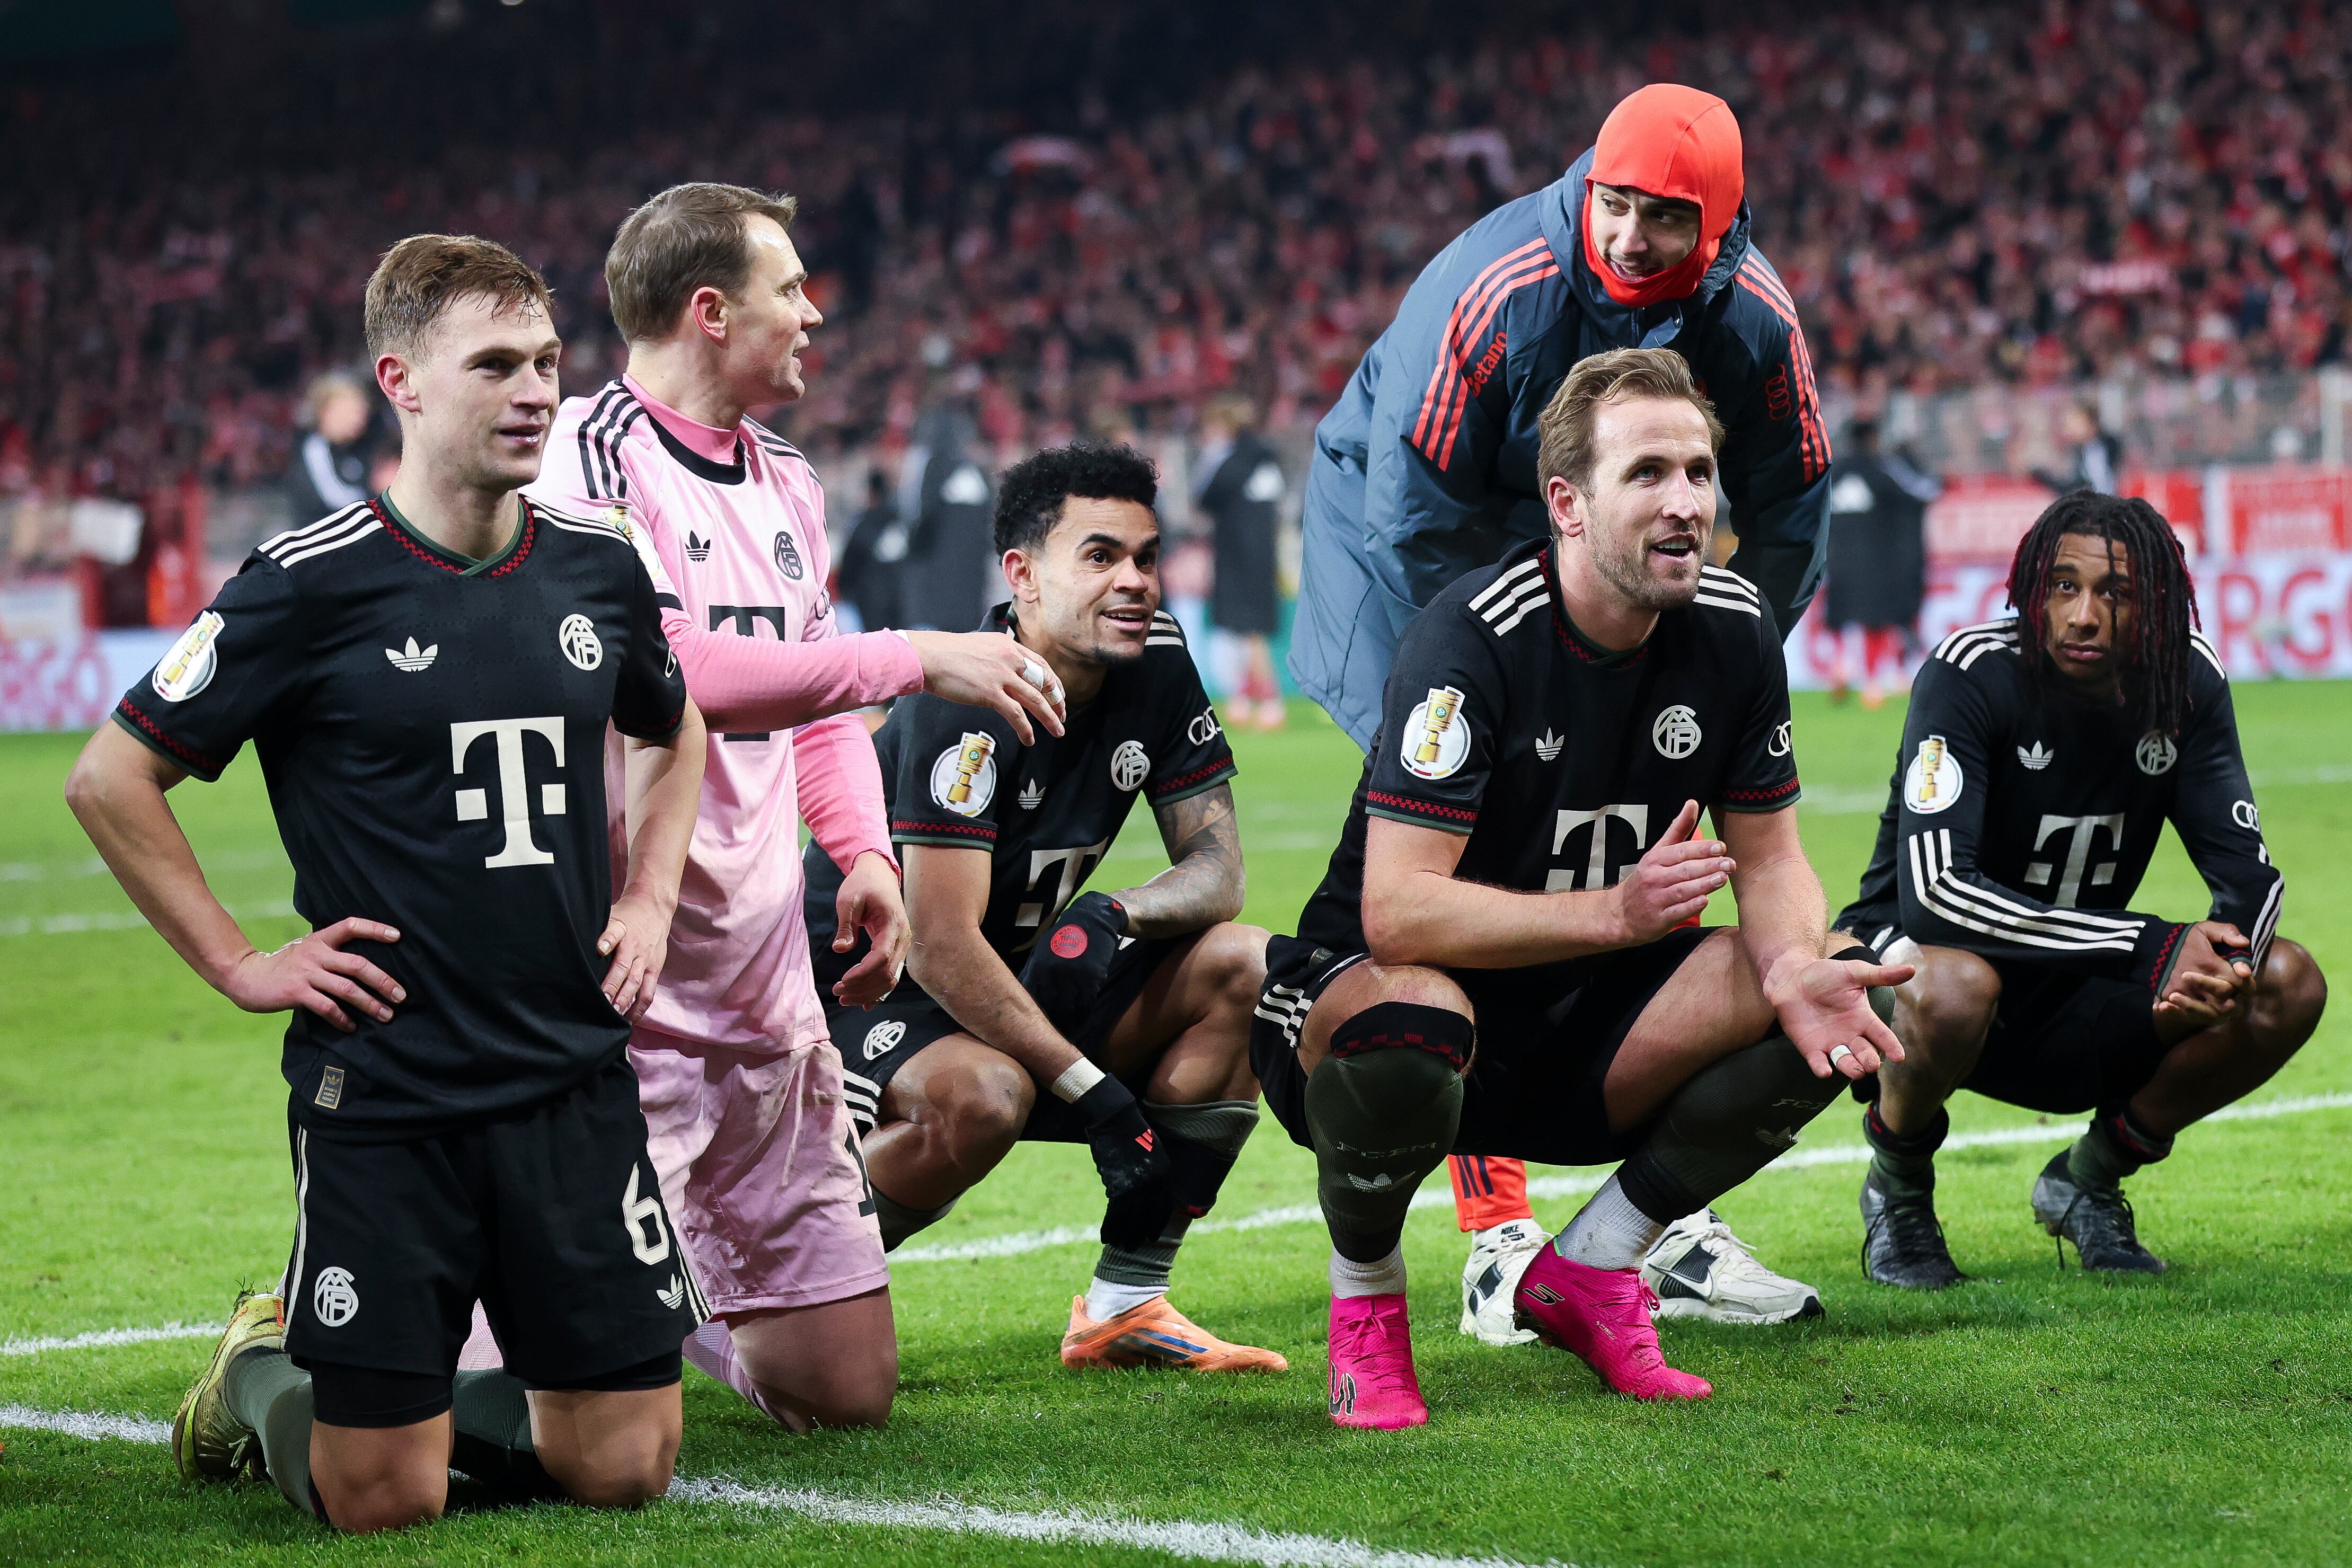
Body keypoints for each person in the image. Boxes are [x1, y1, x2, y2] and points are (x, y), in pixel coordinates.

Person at [64, 235, 708, 1530]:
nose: (535, 391)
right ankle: (259, 1368)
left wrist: (646, 896)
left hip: (570, 1074)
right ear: (401, 380)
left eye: (545, 362)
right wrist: (243, 963)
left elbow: (674, 725)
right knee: (382, 1503)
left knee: (626, 1466)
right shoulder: (305, 585)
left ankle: (418, 1396)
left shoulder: (600, 560)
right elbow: (110, 777)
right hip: (389, 1086)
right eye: (496, 365)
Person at [498, 182, 1067, 1431]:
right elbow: (672, 676)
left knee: (844, 1392)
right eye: (788, 289)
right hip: (615, 981)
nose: (813, 313)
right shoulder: (583, 458)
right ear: (709, 311)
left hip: (762, 987)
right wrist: (911, 654)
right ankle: (335, 1333)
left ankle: (665, 1295)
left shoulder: (791, 479)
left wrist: (861, 847)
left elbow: (812, 709)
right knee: (524, 1421)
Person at [1251, 350, 1906, 1429]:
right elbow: (1397, 912)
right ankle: (1365, 1300)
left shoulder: (1736, 629)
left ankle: (1594, 1269)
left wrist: (1792, 966)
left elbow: (1774, 856)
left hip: (1584, 1023)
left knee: (1839, 994)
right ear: (1565, 501)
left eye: (1698, 473)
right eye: (1647, 473)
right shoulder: (1471, 639)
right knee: (1412, 1025)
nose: (1686, 503)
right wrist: (1615, 911)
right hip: (1368, 1006)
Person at [1286, 85, 1837, 1326]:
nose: (1635, 238)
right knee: (1486, 846)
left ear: (1724, 226)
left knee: (1638, 851)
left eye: (1668, 220)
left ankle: (1655, 1224)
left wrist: (1720, 666)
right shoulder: (1498, 290)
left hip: (1620, 573)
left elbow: (1793, 502)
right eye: (1620, 206)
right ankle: (1497, 1232)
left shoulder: (1756, 319)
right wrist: (1501, 674)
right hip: (1417, 562)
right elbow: (1413, 512)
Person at [806, 442, 1287, 1374]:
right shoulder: (968, 701)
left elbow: (1218, 868)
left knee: (1245, 964)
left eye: (1147, 558)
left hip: (1028, 974)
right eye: (1100, 557)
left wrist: (1114, 914)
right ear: (1021, 575)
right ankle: (780, 1285)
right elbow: (939, 946)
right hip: (873, 993)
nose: (1135, 582)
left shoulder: (1156, 662)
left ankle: (1125, 1305)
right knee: (987, 1098)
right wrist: (1092, 1089)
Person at [1836, 491, 2326, 1287]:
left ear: (2156, 604)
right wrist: (2151, 945)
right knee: (1956, 984)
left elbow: (2249, 880)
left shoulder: (2186, 682)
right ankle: (1897, 1194)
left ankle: (2085, 1181)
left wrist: (2219, 972)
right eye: (2062, 587)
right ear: (2032, 589)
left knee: (2285, 982)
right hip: (1914, 976)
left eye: (2115, 593)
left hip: (2077, 980)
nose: (2083, 615)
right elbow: (1935, 897)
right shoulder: (1969, 673)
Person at [1823, 418, 1937, 708]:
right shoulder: (1881, 469)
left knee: (1839, 616)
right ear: (1873, 438)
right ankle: (1872, 683)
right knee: (1875, 620)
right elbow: (1918, 496)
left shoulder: (1833, 473)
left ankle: (1841, 665)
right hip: (1875, 561)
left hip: (1837, 558)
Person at [1194, 394, 1286, 730]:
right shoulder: (1264, 457)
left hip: (1238, 556)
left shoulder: (1233, 459)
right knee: (1246, 630)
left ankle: (1270, 701)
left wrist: (1211, 459)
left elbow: (1205, 497)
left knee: (1249, 631)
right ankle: (1244, 699)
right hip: (1261, 555)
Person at [282, 370, 384, 526]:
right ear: (326, 411)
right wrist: (382, 497)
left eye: (361, 410)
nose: (359, 417)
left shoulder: (366, 446)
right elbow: (332, 498)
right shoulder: (314, 450)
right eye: (350, 410)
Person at [837, 467, 909, 635]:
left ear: (870, 491)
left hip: (869, 603)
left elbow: (850, 563)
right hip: (900, 602)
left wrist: (846, 590)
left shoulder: (865, 523)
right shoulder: (901, 523)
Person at [2033, 401, 2123, 496]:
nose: (2072, 429)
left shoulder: (2111, 444)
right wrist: (2045, 477)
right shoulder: (2079, 452)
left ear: (2090, 423)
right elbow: (2075, 486)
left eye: (2076, 423)